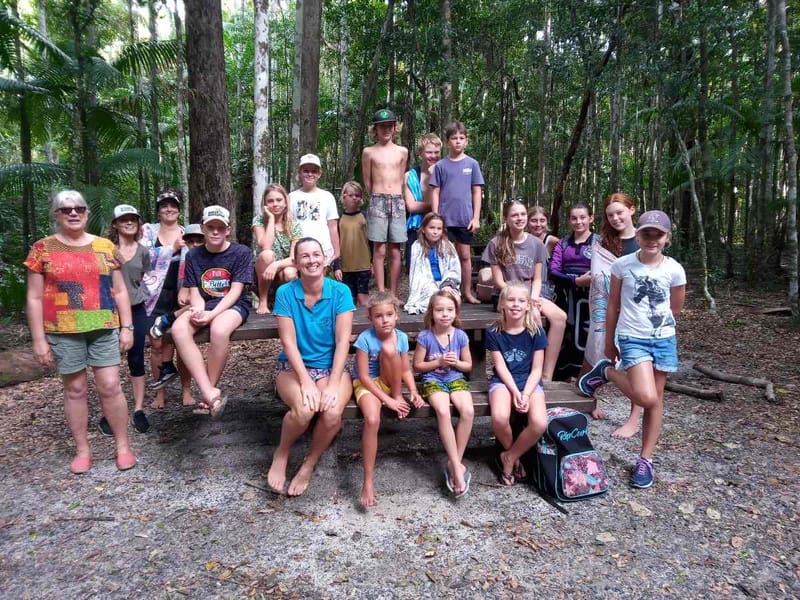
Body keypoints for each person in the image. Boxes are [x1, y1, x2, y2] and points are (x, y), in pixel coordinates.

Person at [24, 190, 137, 474]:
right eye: (66, 209)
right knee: (75, 389)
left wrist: (127, 327)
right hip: (63, 330)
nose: (73, 213)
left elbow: (120, 291)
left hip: (104, 327)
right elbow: (34, 298)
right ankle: (83, 449)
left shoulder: (105, 247)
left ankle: (123, 446)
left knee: (110, 385)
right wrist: (39, 340)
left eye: (79, 208)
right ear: (56, 215)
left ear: (87, 213)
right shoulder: (42, 249)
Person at [579, 210, 686, 489]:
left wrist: (659, 325)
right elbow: (612, 305)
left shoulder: (674, 269)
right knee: (646, 396)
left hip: (663, 339)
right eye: (646, 233)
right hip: (632, 337)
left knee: (656, 400)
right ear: (638, 235)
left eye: (658, 234)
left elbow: (675, 308)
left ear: (667, 238)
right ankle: (608, 372)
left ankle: (645, 459)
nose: (652, 239)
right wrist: (608, 341)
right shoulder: (622, 265)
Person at [266, 237, 355, 496]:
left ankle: (309, 462)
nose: (311, 260)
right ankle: (282, 452)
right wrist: (305, 381)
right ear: (295, 262)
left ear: (325, 259)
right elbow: (288, 342)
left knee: (332, 413)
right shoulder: (286, 292)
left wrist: (333, 383)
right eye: (304, 256)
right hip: (294, 368)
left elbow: (343, 342)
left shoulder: (340, 291)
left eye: (316, 254)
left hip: (331, 367)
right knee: (304, 410)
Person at [170, 206, 253, 418]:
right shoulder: (193, 255)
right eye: (210, 227)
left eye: (220, 227)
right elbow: (194, 291)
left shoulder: (241, 252)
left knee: (219, 329)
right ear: (203, 229)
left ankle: (209, 389)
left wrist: (211, 315)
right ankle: (209, 391)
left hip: (233, 305)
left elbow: (236, 291)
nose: (215, 232)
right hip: (205, 304)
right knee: (179, 329)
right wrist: (198, 310)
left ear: (228, 230)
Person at [481, 199, 566, 383]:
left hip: (530, 293)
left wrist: (532, 298)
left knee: (560, 317)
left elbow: (537, 278)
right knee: (533, 316)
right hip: (506, 295)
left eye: (522, 214)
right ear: (506, 219)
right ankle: (525, 369)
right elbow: (498, 281)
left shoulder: (536, 244)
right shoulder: (497, 243)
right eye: (514, 215)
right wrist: (521, 298)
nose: (519, 218)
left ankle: (546, 374)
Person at [353, 291, 423, 507]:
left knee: (390, 349)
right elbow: (364, 377)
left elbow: (406, 370)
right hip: (368, 385)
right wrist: (388, 400)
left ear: (396, 315)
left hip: (391, 382)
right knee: (372, 420)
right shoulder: (365, 339)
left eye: (389, 315)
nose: (385, 320)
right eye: (379, 316)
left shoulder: (401, 337)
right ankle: (368, 481)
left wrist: (413, 391)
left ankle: (398, 394)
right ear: (370, 319)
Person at [581, 193, 642, 436]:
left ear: (632, 210)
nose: (615, 218)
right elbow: (599, 275)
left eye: (620, 212)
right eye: (610, 215)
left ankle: (634, 418)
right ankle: (589, 398)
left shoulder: (643, 240)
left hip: (634, 311)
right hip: (605, 305)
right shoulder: (604, 243)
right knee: (596, 348)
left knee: (635, 362)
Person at [486, 281, 548, 486]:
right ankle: (515, 456)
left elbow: (537, 369)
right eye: (511, 300)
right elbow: (500, 367)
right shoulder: (494, 331)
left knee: (539, 423)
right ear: (502, 304)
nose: (516, 304)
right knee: (499, 417)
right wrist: (515, 392)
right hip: (504, 382)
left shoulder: (536, 332)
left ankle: (510, 457)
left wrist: (526, 394)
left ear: (528, 305)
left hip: (530, 382)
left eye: (521, 301)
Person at [413, 290, 474, 497]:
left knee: (468, 411)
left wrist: (456, 362)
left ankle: (454, 463)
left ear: (456, 313)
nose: (445, 314)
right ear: (432, 312)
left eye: (450, 310)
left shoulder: (460, 336)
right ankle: (457, 468)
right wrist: (438, 362)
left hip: (455, 377)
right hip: (433, 379)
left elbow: (468, 365)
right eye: (440, 310)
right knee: (443, 411)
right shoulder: (425, 336)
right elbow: (418, 366)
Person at [98, 204, 153, 436]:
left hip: (137, 309)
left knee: (136, 358)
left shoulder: (144, 252)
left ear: (138, 223)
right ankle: (109, 411)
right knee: (107, 362)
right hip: (109, 312)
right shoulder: (105, 250)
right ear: (115, 224)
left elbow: (142, 278)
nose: (129, 223)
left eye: (133, 219)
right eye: (123, 219)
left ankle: (138, 409)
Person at [141, 188, 190, 406]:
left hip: (180, 295)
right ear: (158, 210)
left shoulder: (187, 232)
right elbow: (141, 257)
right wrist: (172, 248)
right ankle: (160, 393)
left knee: (183, 343)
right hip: (154, 297)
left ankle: (186, 390)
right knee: (157, 344)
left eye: (173, 205)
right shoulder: (148, 231)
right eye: (164, 206)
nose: (169, 209)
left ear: (179, 209)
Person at [429, 121, 484, 304]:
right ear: (447, 142)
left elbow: (476, 191)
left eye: (461, 138)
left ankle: (467, 292)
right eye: (454, 138)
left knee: (465, 256)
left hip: (465, 219)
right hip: (445, 220)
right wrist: (435, 217)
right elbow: (435, 191)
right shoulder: (441, 166)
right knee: (445, 257)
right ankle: (446, 292)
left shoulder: (472, 164)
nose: (458, 141)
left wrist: (476, 217)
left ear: (466, 141)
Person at [549, 202, 600, 380]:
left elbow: (606, 269)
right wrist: (575, 281)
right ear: (569, 220)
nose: (578, 222)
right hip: (566, 297)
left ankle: (588, 377)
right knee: (568, 333)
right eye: (574, 218)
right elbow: (554, 270)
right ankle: (565, 376)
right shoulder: (563, 244)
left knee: (589, 334)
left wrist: (591, 279)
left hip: (594, 298)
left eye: (582, 217)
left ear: (590, 218)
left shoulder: (600, 242)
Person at [362, 109, 409, 296]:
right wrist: (377, 197)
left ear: (395, 128)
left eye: (389, 125)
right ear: (375, 129)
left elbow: (401, 177)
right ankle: (381, 292)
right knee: (379, 249)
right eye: (382, 126)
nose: (386, 129)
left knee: (395, 250)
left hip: (397, 201)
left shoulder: (402, 151)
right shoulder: (369, 152)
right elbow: (368, 181)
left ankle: (393, 293)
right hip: (378, 200)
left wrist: (396, 195)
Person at [289, 154, 342, 276]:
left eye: (314, 171)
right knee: (299, 281)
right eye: (306, 171)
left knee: (318, 282)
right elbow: (288, 225)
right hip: (300, 249)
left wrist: (337, 252)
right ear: (300, 172)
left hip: (323, 248)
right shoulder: (292, 197)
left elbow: (333, 227)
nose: (310, 174)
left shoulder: (327, 196)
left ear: (319, 174)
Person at [252, 183, 301, 314]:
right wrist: (271, 219)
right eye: (270, 201)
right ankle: (263, 301)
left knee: (290, 272)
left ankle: (286, 303)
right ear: (265, 203)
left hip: (282, 270)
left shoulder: (294, 225)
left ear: (285, 202)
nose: (275, 204)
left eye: (279, 200)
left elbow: (294, 258)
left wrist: (276, 265)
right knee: (267, 255)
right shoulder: (259, 220)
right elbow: (265, 246)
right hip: (262, 271)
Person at [404, 212, 461, 314]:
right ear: (423, 229)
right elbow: (418, 273)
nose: (435, 232)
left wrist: (447, 285)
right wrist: (434, 287)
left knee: (455, 299)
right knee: (435, 300)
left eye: (439, 229)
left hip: (445, 282)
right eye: (432, 228)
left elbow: (454, 269)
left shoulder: (448, 246)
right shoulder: (417, 246)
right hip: (426, 284)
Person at [404, 133, 442, 271]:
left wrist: (434, 175)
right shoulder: (410, 176)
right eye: (429, 152)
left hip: (439, 228)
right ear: (420, 153)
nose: (433, 156)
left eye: (436, 152)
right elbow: (411, 206)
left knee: (438, 268)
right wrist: (435, 206)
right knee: (414, 268)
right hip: (416, 226)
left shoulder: (446, 173)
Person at [338, 181, 371, 306]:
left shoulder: (365, 217)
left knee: (363, 299)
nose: (354, 198)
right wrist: (336, 266)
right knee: (349, 300)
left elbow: (371, 241)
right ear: (344, 196)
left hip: (363, 265)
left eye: (357, 195)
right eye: (351, 195)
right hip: (345, 266)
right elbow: (335, 242)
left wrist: (372, 262)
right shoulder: (339, 218)